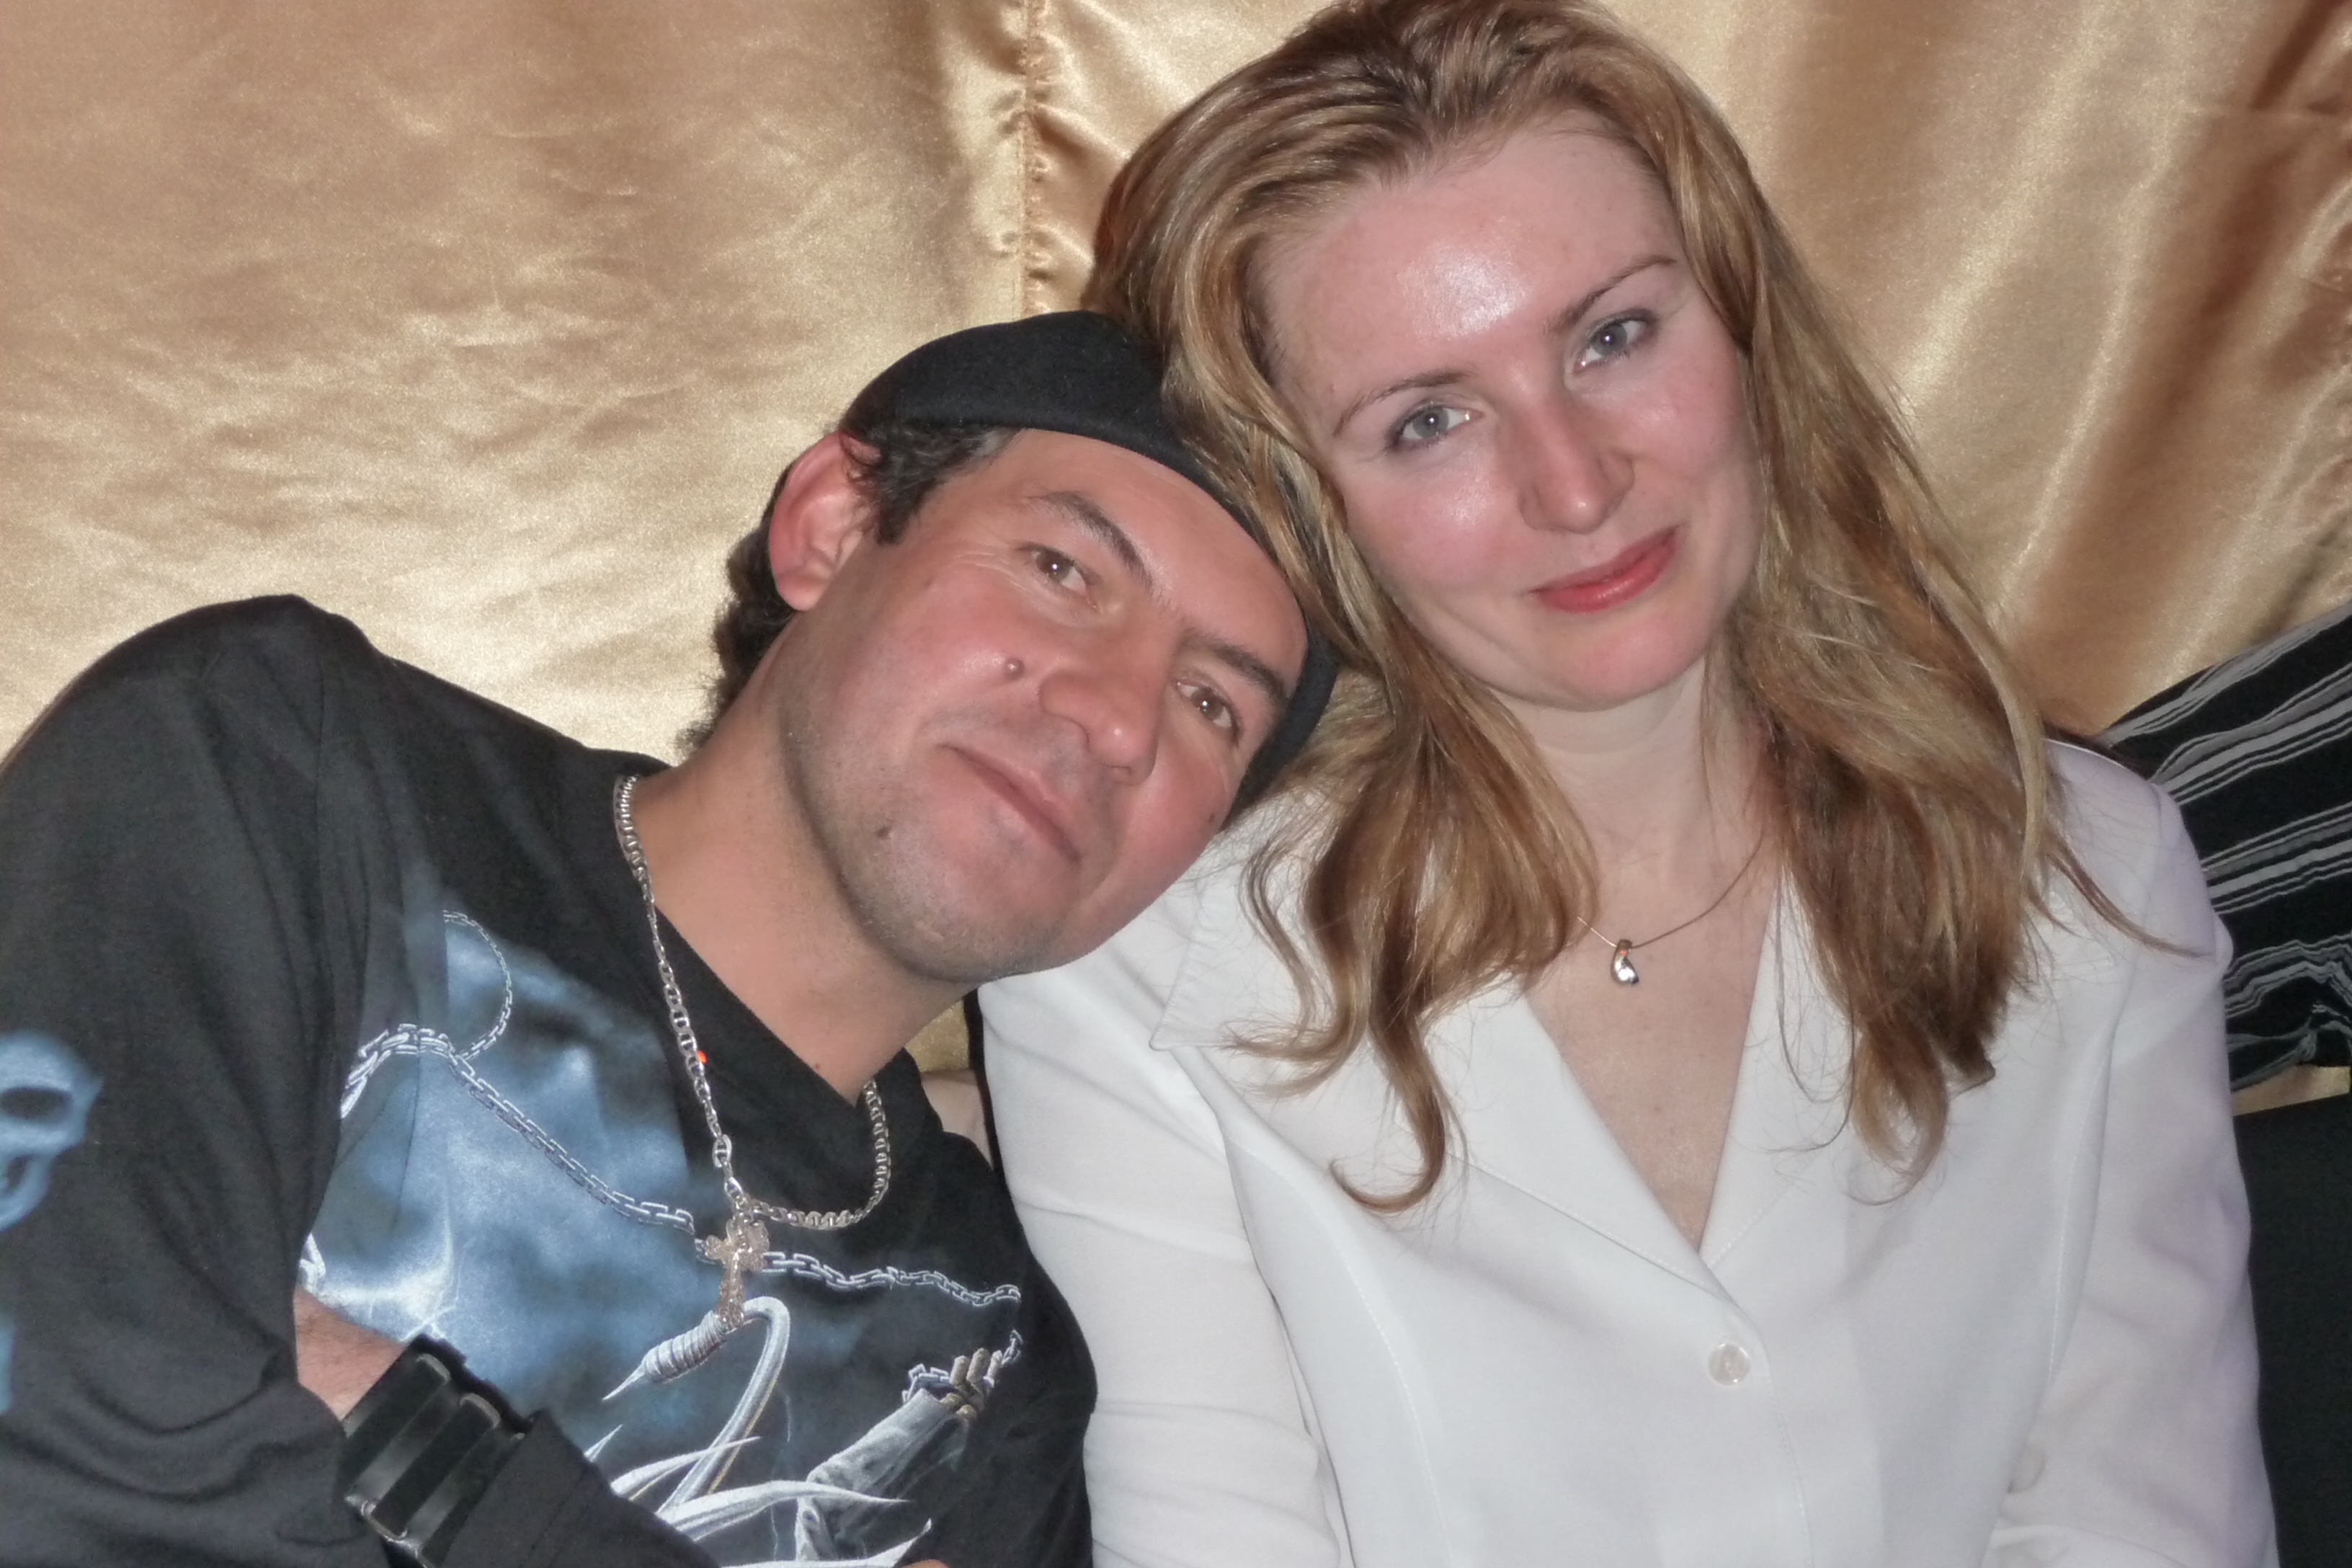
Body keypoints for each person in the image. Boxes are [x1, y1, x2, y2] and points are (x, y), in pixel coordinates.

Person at [980, 3, 2273, 1564]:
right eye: (1429, 420)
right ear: (1297, 502)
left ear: (1744, 327)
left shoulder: (2089, 877)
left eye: (1613, 337)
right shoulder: (1135, 967)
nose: (1578, 483)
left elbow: (2142, 1526)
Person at [0, 311, 1333, 1568]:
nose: (1118, 718)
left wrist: (427, 1457)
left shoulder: (996, 1364)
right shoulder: (278, 769)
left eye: (1212, 704)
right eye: (1061, 571)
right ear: (833, 524)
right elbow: (66, 1446)